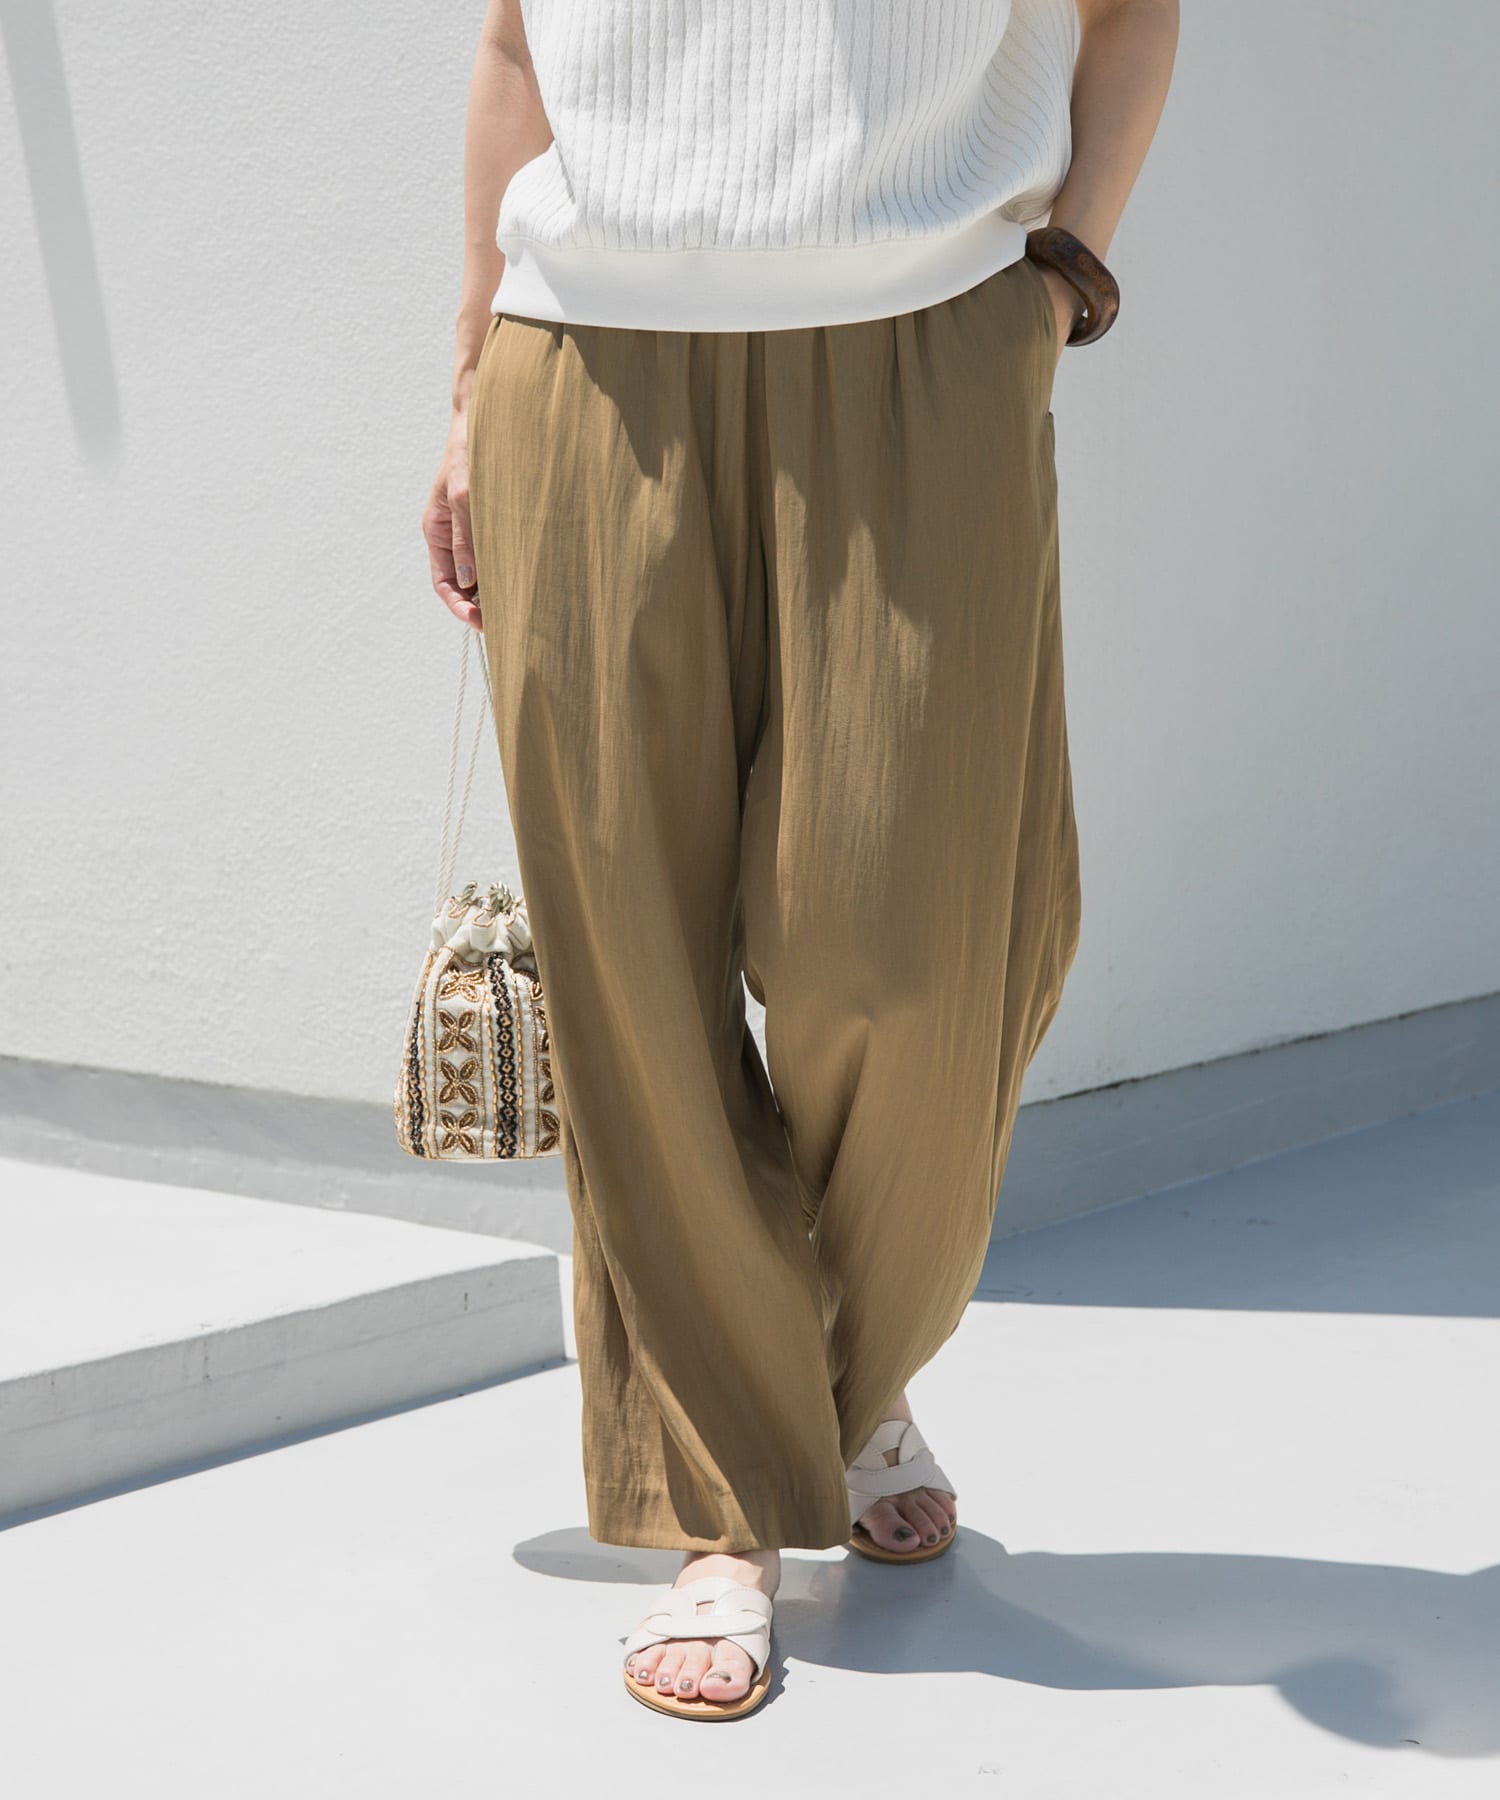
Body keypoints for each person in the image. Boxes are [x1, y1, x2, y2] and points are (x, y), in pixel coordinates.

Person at [424, 0, 1177, 1721]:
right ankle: (723, 1499)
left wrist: (1064, 276)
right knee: (631, 960)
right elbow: (519, 49)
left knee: (912, 947)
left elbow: (1133, 14)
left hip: (925, 352)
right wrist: (468, 381)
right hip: (585, 363)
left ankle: (837, 1368)